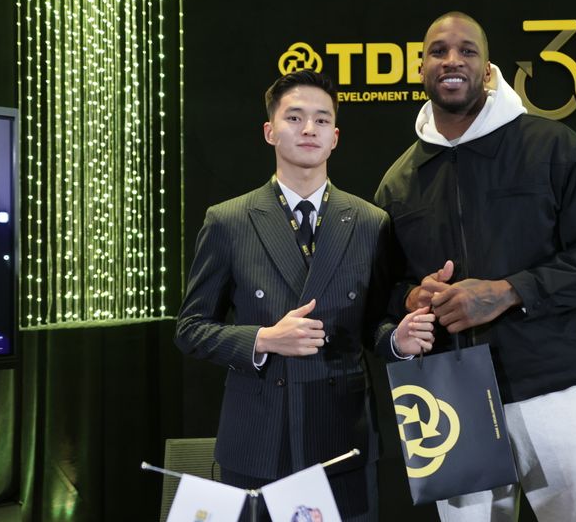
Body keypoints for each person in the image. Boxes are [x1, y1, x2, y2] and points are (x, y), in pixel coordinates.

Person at [374, 12, 576, 522]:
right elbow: (383, 291)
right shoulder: (398, 181)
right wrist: (410, 297)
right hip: (449, 398)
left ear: (489, 68)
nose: (452, 60)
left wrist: (509, 291)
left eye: (467, 50)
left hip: (560, 388)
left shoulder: (553, 147)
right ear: (420, 68)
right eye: (438, 51)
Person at [176, 70, 435, 521]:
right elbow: (191, 329)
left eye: (321, 119)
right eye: (294, 118)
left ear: (335, 137)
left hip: (342, 436)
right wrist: (263, 339)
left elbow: (372, 323)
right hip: (258, 440)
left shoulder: (369, 222)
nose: (309, 129)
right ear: (270, 131)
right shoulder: (229, 221)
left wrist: (398, 339)